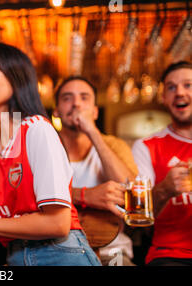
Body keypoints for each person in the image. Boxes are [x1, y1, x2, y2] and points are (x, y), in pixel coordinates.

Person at [0, 43, 101, 266]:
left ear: (17, 77)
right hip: (17, 255)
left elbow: (57, 223)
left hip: (60, 253)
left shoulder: (37, 129)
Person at [53, 76, 138, 266]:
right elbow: (27, 196)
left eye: (84, 98)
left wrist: (93, 132)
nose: (76, 104)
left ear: (95, 112)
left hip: (112, 252)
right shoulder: (46, 146)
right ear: (57, 111)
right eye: (67, 98)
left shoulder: (114, 145)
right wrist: (84, 195)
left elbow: (133, 195)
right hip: (57, 252)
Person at [132, 61, 192, 266]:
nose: (180, 93)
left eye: (188, 85)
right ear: (164, 98)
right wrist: (165, 189)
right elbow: (139, 219)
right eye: (171, 87)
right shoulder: (146, 146)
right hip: (170, 254)